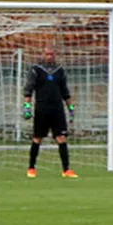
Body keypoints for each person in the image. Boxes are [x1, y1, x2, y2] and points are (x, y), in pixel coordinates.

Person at [23, 46, 77, 179]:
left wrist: (71, 109)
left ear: (55, 54)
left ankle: (66, 170)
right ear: (42, 54)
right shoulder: (36, 70)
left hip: (57, 109)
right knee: (37, 138)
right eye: (46, 54)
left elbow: (65, 92)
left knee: (61, 138)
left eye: (51, 54)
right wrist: (27, 108)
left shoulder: (60, 71)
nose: (49, 56)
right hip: (42, 108)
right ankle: (31, 168)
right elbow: (28, 90)